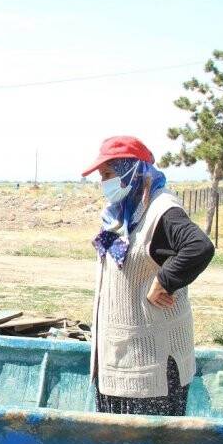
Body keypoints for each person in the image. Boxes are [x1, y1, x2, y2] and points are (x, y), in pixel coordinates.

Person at [81, 136, 214, 416]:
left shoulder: (162, 209)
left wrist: (165, 281)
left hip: (151, 370)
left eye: (108, 174)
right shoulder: (120, 214)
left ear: (131, 170)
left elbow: (198, 247)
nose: (103, 183)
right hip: (120, 361)